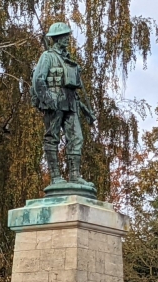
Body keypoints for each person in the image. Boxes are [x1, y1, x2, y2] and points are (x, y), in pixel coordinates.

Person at [32, 22, 96, 188]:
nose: (68, 39)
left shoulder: (69, 60)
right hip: (54, 103)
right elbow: (38, 80)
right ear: (57, 38)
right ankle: (55, 177)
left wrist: (84, 109)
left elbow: (73, 88)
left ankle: (74, 175)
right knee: (52, 138)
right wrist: (48, 100)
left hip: (70, 103)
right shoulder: (48, 56)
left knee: (77, 138)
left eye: (68, 35)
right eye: (64, 36)